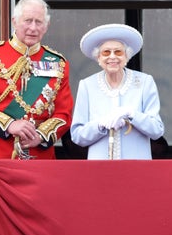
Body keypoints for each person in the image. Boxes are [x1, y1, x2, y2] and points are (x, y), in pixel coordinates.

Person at [0, 0, 73, 159]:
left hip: (40, 157)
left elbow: (64, 114)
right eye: (28, 21)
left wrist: (41, 136)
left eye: (39, 22)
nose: (33, 28)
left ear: (46, 26)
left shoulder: (59, 63)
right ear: (14, 22)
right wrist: (10, 125)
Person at [70, 24, 164, 159]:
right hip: (100, 168)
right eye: (106, 52)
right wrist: (100, 124)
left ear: (127, 56)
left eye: (118, 52)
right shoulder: (87, 85)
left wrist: (132, 114)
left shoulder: (144, 82)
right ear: (98, 58)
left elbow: (157, 130)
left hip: (136, 168)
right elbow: (77, 136)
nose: (112, 57)